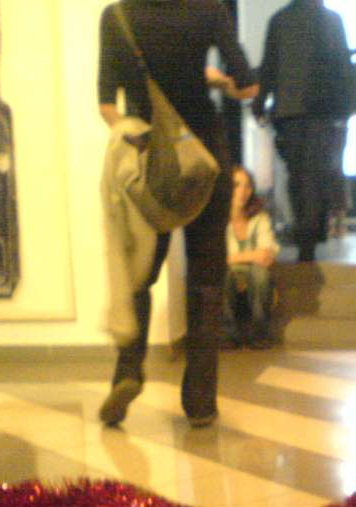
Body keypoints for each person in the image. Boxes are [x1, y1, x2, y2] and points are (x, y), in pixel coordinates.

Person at [97, 0, 257, 429]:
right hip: (204, 159)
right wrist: (219, 82)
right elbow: (248, 84)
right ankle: (200, 402)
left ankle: (128, 370)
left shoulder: (117, 16)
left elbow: (107, 105)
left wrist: (139, 132)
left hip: (153, 162)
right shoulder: (208, 9)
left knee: (139, 270)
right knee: (206, 279)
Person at [252, 0, 353, 263]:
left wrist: (260, 102)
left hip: (290, 110)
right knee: (316, 172)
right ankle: (312, 231)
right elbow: (343, 66)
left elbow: (269, 66)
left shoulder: (279, 21)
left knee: (298, 174)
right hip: (323, 111)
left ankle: (305, 231)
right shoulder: (332, 21)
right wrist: (346, 109)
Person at [221, 166, 279, 350]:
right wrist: (252, 255)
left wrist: (234, 258)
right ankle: (228, 334)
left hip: (255, 277)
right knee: (222, 273)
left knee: (260, 274)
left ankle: (259, 334)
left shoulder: (259, 218)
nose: (242, 191)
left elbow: (267, 254)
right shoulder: (219, 220)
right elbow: (218, 258)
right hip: (229, 276)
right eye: (236, 185)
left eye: (247, 186)